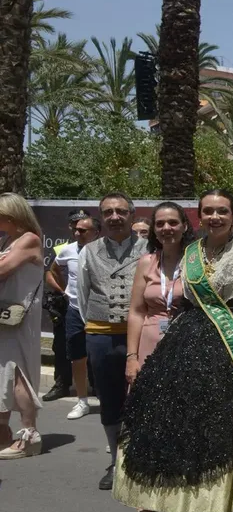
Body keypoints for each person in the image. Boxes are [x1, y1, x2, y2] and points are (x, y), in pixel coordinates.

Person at [115, 190, 233, 512]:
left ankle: (225, 507)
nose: (215, 217)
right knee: (189, 421)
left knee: (229, 420)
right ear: (199, 218)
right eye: (208, 212)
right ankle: (188, 500)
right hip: (190, 339)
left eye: (222, 212)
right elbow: (186, 302)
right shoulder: (191, 254)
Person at [77, 192, 148, 489]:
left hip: (141, 335)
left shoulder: (149, 249)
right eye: (108, 212)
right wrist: (97, 324)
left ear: (132, 215)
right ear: (101, 217)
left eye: (121, 211)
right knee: (109, 399)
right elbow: (82, 296)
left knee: (145, 397)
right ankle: (116, 460)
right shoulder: (88, 251)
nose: (115, 217)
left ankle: (145, 460)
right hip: (101, 334)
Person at [124, 202, 194, 384]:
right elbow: (136, 312)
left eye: (173, 223)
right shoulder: (146, 262)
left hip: (186, 343)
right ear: (154, 229)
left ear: (184, 226)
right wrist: (132, 357)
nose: (166, 228)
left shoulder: (196, 262)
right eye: (160, 224)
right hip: (149, 344)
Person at [0, 193, 45, 460]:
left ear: (12, 216)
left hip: (18, 319)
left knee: (18, 374)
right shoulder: (8, 240)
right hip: (3, 316)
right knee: (2, 374)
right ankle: (3, 431)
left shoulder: (29, 239)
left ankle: (30, 434)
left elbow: (3, 269)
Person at [49, 212, 100, 419]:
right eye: (76, 229)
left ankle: (108, 400)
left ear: (96, 233)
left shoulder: (105, 250)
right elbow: (52, 270)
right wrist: (63, 291)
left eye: (83, 230)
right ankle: (82, 402)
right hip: (75, 311)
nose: (77, 233)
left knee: (102, 357)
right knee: (77, 358)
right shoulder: (66, 250)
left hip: (99, 312)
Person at [41, 210, 92, 401]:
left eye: (82, 223)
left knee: (93, 346)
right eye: (74, 223)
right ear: (70, 226)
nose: (77, 227)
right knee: (61, 346)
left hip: (91, 305)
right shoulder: (62, 248)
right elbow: (50, 273)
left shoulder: (99, 247)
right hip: (66, 305)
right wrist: (64, 291)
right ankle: (62, 384)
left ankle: (94, 385)